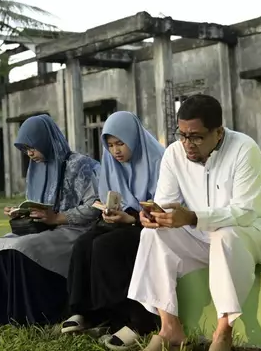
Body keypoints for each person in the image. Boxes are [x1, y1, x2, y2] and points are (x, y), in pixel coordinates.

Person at [128, 94, 261, 351]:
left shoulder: (244, 149)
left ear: (218, 132)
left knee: (226, 234)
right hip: (207, 235)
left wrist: (193, 217)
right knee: (152, 235)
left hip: (260, 230)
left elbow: (244, 212)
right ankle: (169, 328)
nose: (187, 143)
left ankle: (223, 332)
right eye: (182, 135)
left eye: (196, 136)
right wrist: (156, 215)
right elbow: (166, 202)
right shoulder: (174, 154)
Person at [61, 111, 164, 349]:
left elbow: (161, 207)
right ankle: (89, 313)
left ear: (134, 139)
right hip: (122, 221)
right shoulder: (111, 162)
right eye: (110, 145)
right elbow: (110, 196)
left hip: (152, 226)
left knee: (107, 246)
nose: (115, 151)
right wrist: (109, 212)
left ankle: (138, 320)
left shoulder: (159, 160)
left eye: (120, 143)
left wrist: (130, 219)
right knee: (84, 244)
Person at [0, 114, 101, 326]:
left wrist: (58, 217)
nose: (29, 154)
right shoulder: (38, 168)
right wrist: (23, 212)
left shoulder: (83, 166)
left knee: (22, 246)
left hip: (75, 229)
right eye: (25, 150)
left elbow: (94, 206)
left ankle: (36, 317)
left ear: (45, 140)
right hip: (45, 228)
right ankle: (6, 316)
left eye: (32, 147)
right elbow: (39, 204)